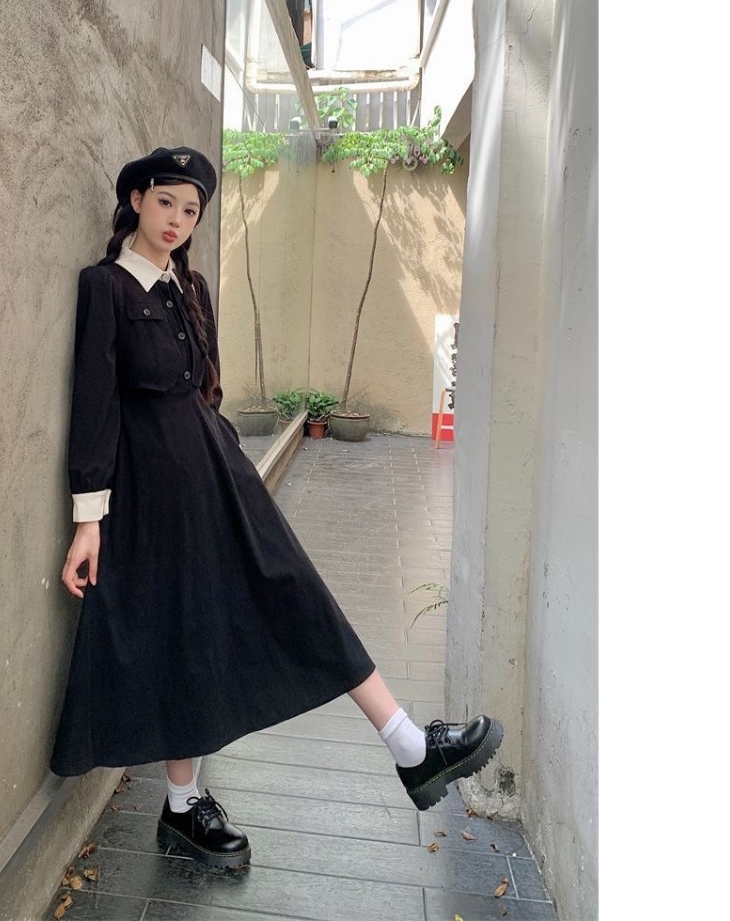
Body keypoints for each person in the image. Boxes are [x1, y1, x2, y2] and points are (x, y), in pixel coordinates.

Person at [50, 145, 503, 869]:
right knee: (185, 632)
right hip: (155, 496)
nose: (177, 220)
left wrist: (225, 458)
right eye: (165, 202)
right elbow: (95, 406)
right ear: (135, 199)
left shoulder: (189, 287)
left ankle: (408, 744)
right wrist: (88, 519)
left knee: (295, 592)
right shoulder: (105, 287)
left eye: (191, 210)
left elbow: (206, 389)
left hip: (217, 474)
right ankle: (183, 807)